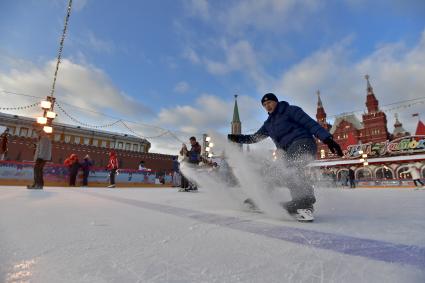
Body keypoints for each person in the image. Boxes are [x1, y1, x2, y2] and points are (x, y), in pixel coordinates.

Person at [228, 93, 343, 222]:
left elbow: (310, 123)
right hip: (288, 150)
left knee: (290, 166)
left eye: (270, 102)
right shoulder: (268, 124)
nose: (267, 106)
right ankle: (260, 199)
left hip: (303, 143)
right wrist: (236, 138)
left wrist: (327, 138)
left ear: (276, 102)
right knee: (274, 171)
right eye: (265, 105)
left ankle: (304, 203)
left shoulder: (290, 110)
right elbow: (254, 138)